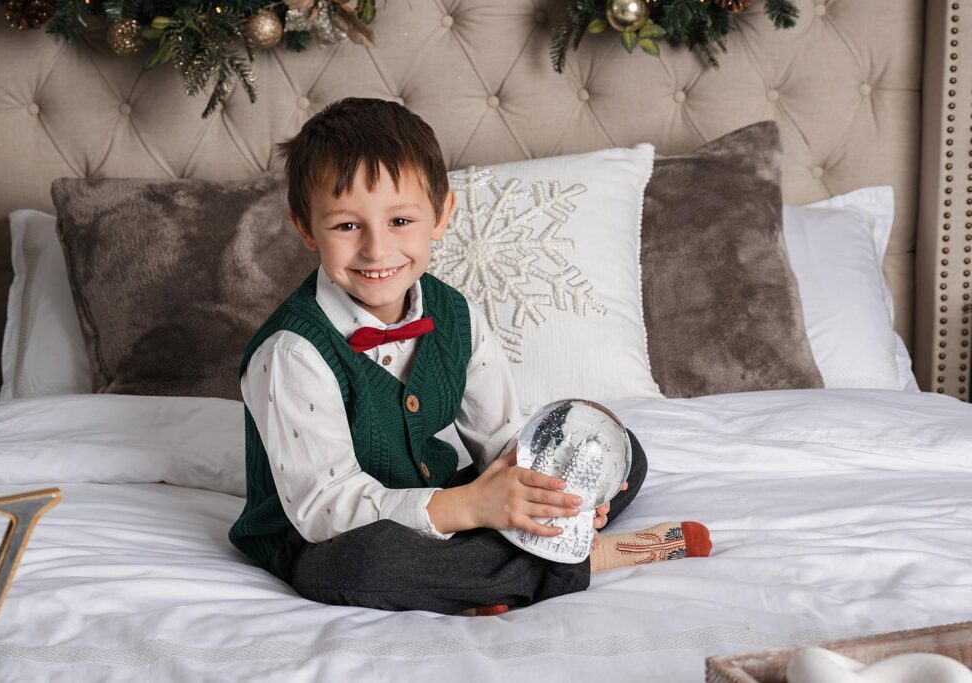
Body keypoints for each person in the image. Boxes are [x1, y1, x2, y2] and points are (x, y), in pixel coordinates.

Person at [228, 97, 711, 615]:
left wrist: (550, 491)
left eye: (400, 220)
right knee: (360, 567)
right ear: (305, 227)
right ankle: (581, 559)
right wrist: (471, 507)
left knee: (616, 449)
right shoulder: (292, 352)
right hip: (323, 535)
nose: (376, 249)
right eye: (347, 226)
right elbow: (324, 509)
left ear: (441, 215)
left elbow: (502, 437)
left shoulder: (455, 315)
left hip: (437, 499)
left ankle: (489, 571)